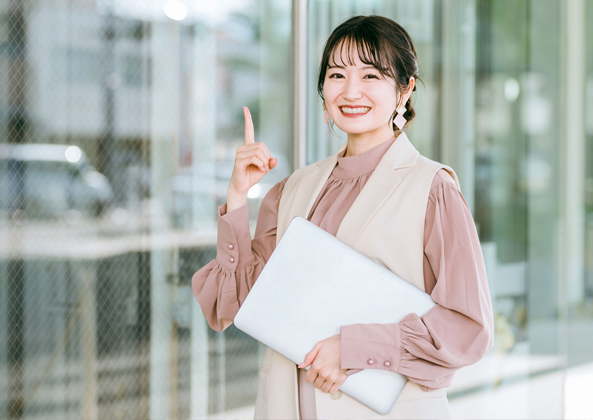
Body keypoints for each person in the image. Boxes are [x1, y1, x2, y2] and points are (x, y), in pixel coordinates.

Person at [192, 15, 494, 420]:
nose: (351, 91)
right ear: (323, 92)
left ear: (405, 90)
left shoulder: (432, 189)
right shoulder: (293, 189)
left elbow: (468, 328)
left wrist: (354, 347)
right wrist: (236, 197)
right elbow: (235, 305)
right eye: (337, 74)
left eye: (371, 75)